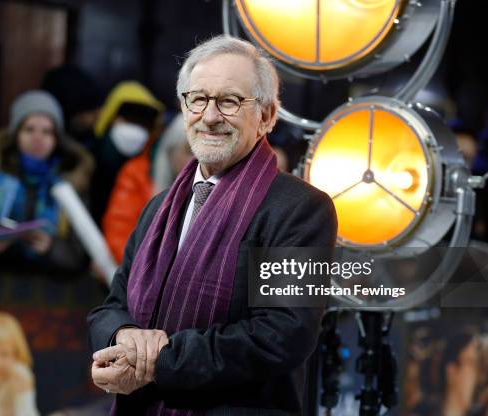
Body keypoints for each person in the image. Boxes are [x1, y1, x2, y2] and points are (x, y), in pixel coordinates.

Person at [87, 35, 337, 415]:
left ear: (267, 116)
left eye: (229, 101)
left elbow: (283, 335)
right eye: (198, 99)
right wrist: (121, 340)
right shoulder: (160, 207)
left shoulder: (301, 209)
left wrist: (159, 361)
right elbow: (112, 305)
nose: (210, 116)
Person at [0, 90, 92, 273]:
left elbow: (78, 257)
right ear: (16, 134)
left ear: (57, 140)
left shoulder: (71, 185)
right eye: (29, 129)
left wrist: (50, 247)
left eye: (47, 132)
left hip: (50, 292)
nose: (38, 138)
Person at [102, 114, 193, 264]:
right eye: (189, 150)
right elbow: (119, 236)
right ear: (171, 150)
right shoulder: (137, 174)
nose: (197, 159)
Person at [88, 81, 165, 221]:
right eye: (127, 119)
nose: (134, 129)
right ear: (110, 118)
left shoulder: (154, 167)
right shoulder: (87, 161)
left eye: (141, 124)